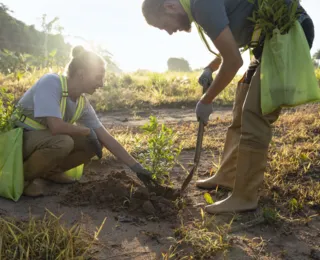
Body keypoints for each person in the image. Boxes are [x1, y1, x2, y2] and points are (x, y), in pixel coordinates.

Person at [141, 0, 314, 214]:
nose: (169, 32)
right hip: (266, 42)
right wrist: (210, 67)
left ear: (168, 6)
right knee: (241, 108)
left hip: (287, 34)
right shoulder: (200, 7)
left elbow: (233, 61)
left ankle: (245, 197)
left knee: (254, 115)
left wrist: (206, 100)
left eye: (163, 25)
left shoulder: (201, 5)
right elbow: (231, 43)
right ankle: (228, 175)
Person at [13, 45, 153, 197]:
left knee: (94, 144)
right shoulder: (51, 82)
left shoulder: (82, 103)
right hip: (19, 140)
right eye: (98, 77)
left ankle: (50, 172)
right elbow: (55, 126)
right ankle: (22, 179)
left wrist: (137, 168)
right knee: (64, 142)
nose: (102, 84)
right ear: (81, 74)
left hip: (42, 142)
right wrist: (85, 130)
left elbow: (107, 138)